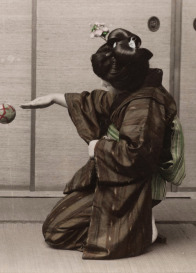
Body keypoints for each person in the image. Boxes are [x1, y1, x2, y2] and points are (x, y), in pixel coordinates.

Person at [21, 28, 182, 260]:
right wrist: (56, 98)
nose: (102, 84)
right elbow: (101, 101)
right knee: (59, 220)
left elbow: (137, 154)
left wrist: (97, 146)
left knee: (57, 231)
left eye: (106, 82)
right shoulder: (136, 85)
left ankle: (141, 229)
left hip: (135, 181)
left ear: (124, 80)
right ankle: (138, 221)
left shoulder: (145, 104)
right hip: (120, 175)